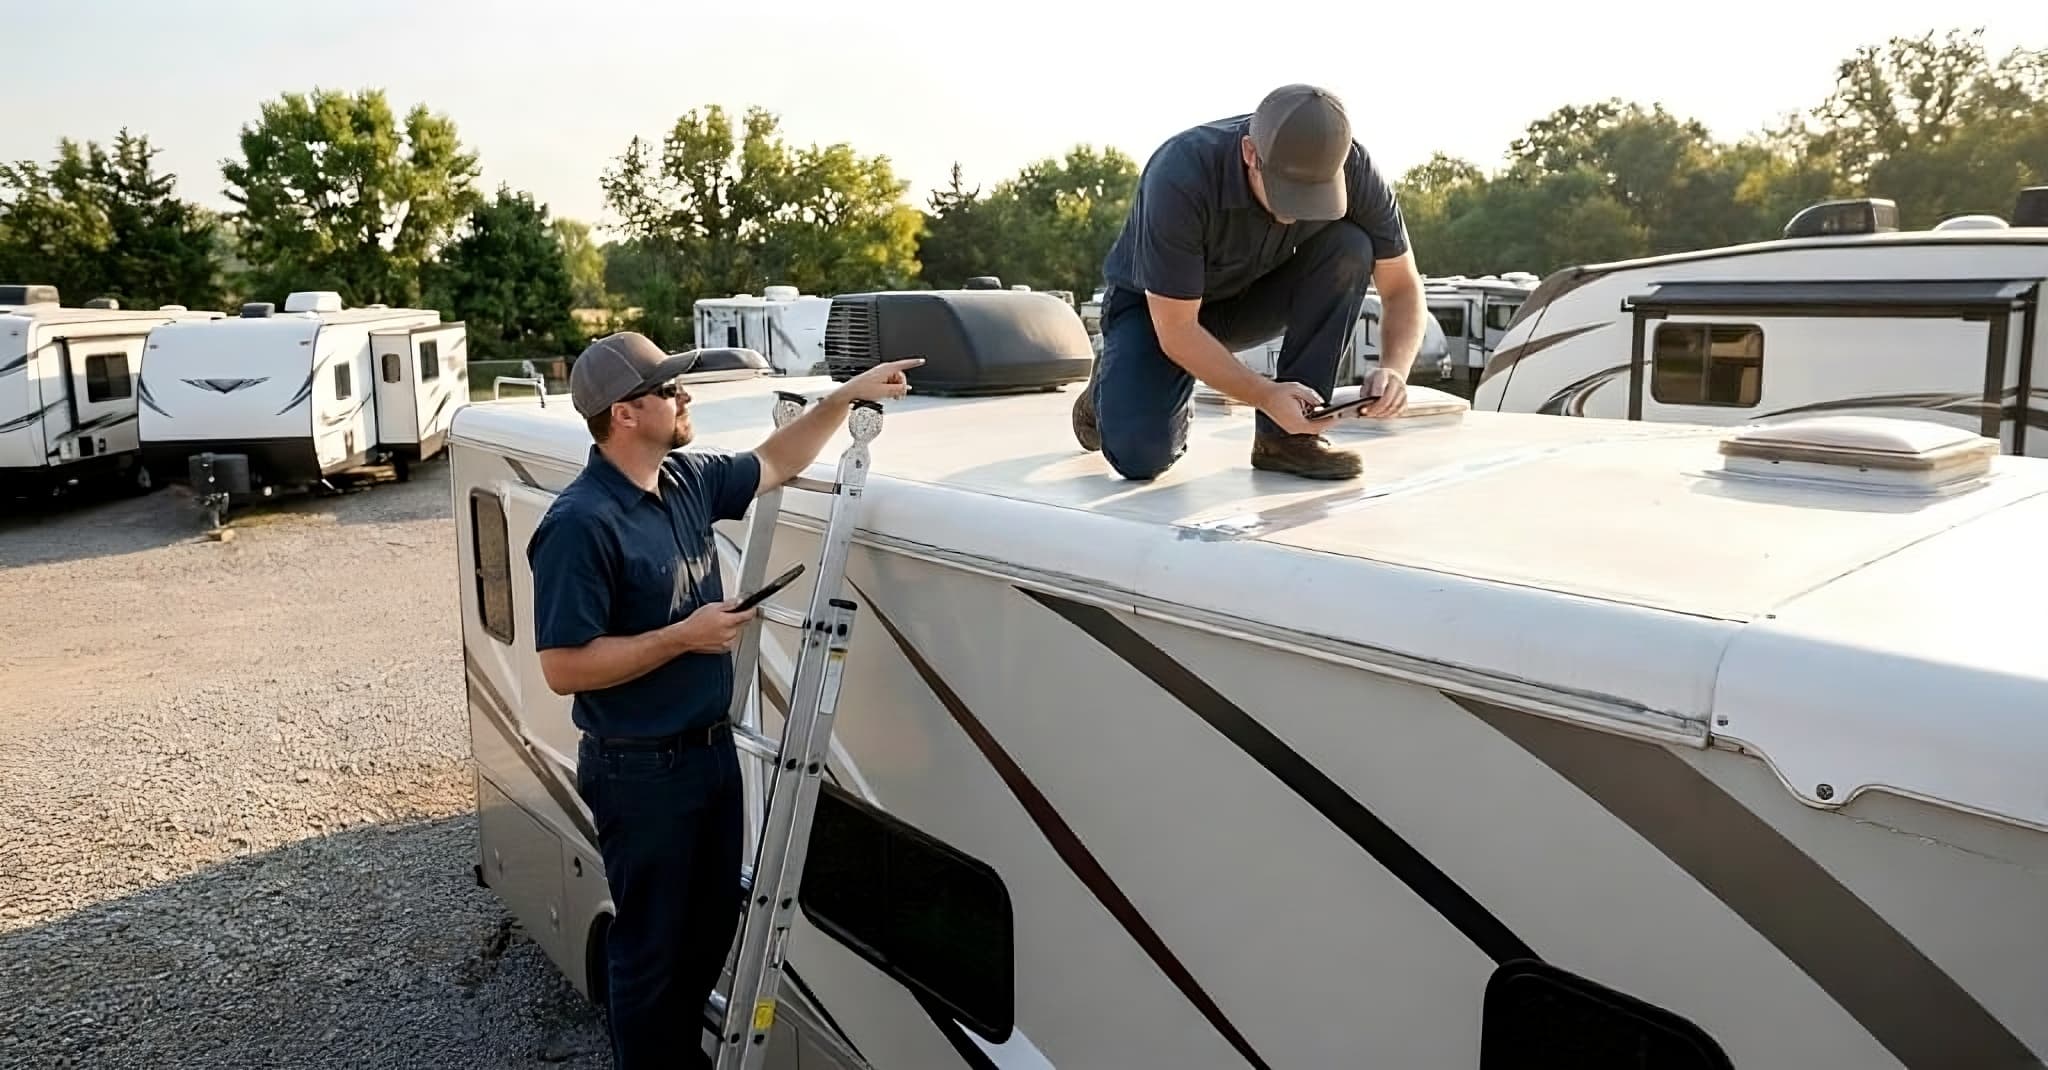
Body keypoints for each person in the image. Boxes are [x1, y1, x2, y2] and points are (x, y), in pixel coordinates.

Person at [526, 331, 921, 1069]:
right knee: (650, 955)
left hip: (707, 761)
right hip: (640, 774)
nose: (684, 397)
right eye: (669, 390)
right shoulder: (580, 524)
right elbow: (563, 667)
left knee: (707, 934)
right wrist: (684, 637)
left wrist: (843, 398)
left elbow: (777, 461)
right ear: (624, 415)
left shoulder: (684, 482)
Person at [1073, 83, 1430, 481]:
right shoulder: (1180, 173)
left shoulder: (1355, 168)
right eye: (1286, 193)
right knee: (1141, 458)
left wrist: (1395, 369)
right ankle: (1106, 391)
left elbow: (1401, 287)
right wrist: (1264, 394)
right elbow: (1177, 328)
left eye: (1313, 196)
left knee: (1350, 247)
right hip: (1157, 314)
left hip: (1248, 299)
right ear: (1249, 154)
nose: (1295, 213)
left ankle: (1287, 440)